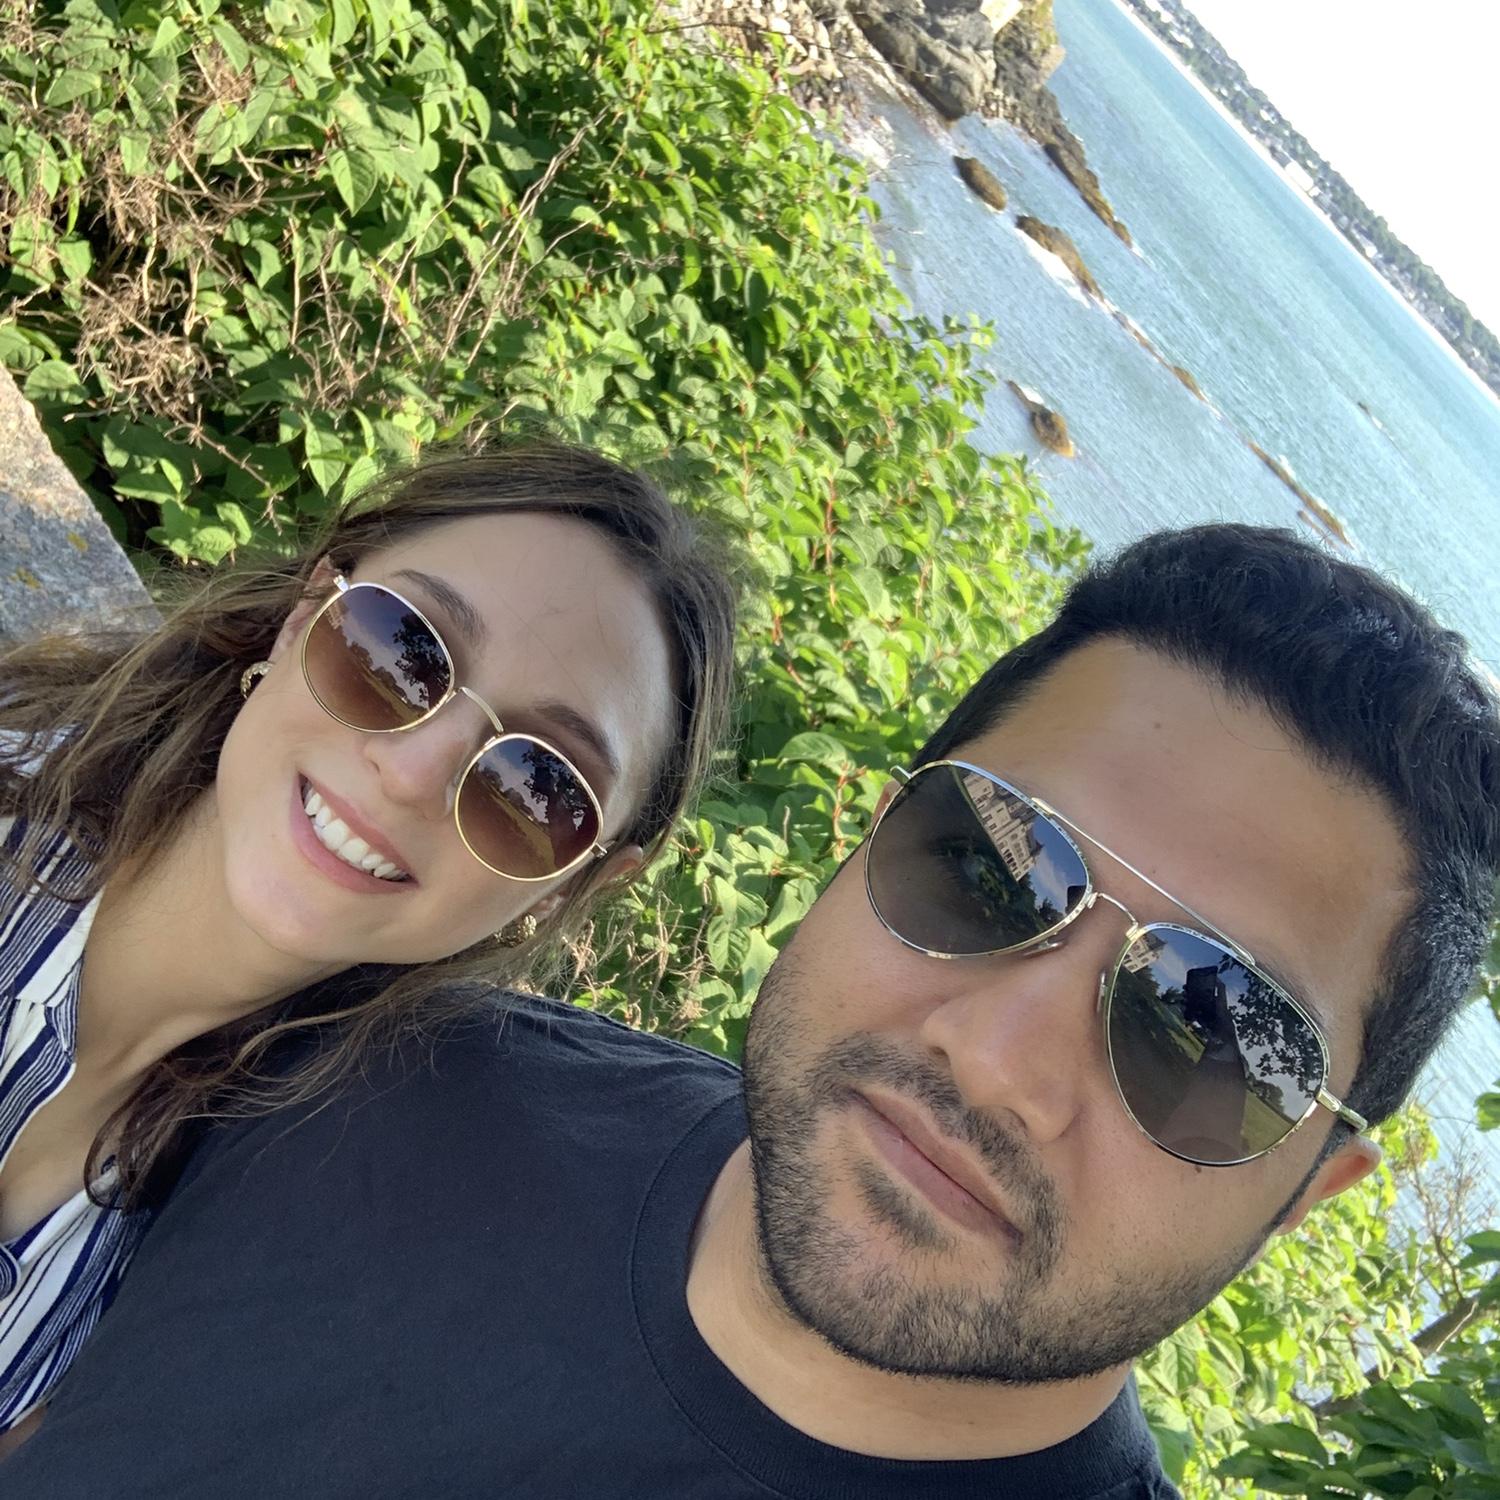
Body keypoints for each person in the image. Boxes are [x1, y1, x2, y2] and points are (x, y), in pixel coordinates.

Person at [6, 525, 1497, 1500]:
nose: (998, 1057)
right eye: (989, 861)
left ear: (1311, 1189)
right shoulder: (368, 1077)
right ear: (869, 835)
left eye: (1214, 1033)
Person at [0, 440, 737, 1447]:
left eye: (538, 786)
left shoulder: (296, 1208)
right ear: (304, 615)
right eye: (399, 646)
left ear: (574, 885)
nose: (414, 772)